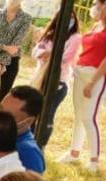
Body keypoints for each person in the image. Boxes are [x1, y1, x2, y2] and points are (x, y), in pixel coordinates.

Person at [60, 0, 106, 172]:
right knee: (79, 115)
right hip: (82, 73)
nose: (94, 6)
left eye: (98, 3)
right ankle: (74, 154)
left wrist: (92, 81)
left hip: (98, 77)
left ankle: (94, 160)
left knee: (89, 117)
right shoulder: (99, 25)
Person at [32, 8, 80, 148]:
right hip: (40, 79)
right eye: (64, 17)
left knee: (47, 115)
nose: (68, 20)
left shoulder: (75, 37)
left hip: (59, 82)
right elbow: (36, 52)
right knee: (34, 112)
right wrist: (45, 53)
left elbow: (66, 58)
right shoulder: (50, 34)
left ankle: (40, 146)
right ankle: (30, 142)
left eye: (71, 17)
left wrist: (50, 53)